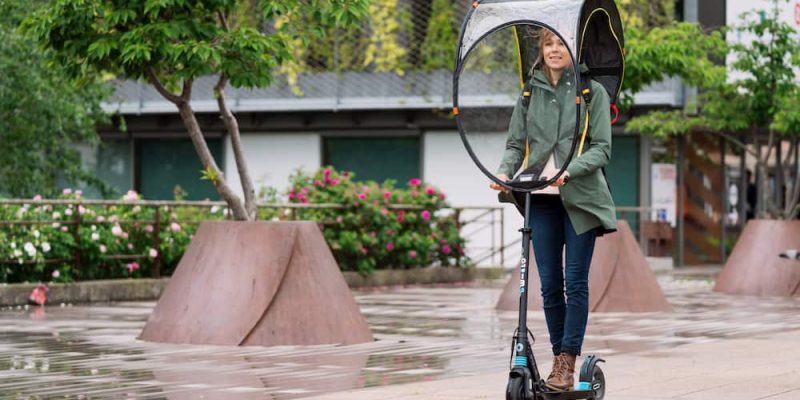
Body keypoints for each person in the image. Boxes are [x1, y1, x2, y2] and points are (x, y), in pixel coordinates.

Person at [489, 29, 617, 391]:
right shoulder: (529, 93)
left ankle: (567, 361)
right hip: (540, 200)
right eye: (549, 44)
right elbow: (516, 144)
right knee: (548, 286)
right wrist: (503, 172)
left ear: (574, 51)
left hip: (582, 200)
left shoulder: (593, 93)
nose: (555, 50)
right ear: (540, 50)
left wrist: (568, 171)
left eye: (562, 44)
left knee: (575, 281)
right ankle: (558, 357)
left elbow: (602, 149)